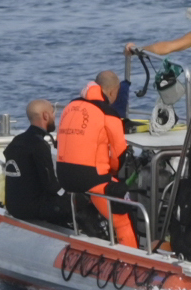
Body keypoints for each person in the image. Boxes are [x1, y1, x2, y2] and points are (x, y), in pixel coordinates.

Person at [55, 72, 137, 247]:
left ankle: (90, 227)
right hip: (90, 177)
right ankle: (132, 259)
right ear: (114, 92)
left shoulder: (71, 106)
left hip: (63, 175)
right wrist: (114, 174)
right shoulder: (108, 113)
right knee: (123, 217)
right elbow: (119, 154)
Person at [0, 99, 69, 226]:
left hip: (13, 206)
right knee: (80, 202)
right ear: (45, 116)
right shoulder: (39, 145)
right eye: (53, 114)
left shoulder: (17, 141)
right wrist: (71, 197)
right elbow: (50, 185)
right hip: (31, 209)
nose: (54, 117)